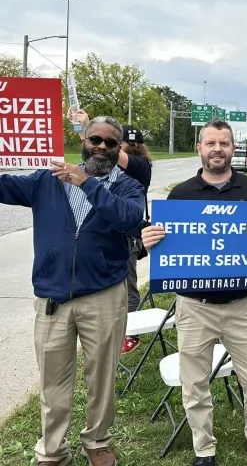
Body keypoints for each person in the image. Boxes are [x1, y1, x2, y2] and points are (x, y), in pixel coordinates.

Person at [141, 119, 247, 466]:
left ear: (232, 148)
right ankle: (203, 449)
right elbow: (167, 247)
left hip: (241, 304)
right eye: (210, 143)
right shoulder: (180, 194)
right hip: (194, 305)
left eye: (224, 143)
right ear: (200, 148)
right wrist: (151, 242)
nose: (217, 150)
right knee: (194, 383)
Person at [0, 116, 144, 466]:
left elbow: (129, 219)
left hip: (104, 295)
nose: (103, 147)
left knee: (102, 378)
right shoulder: (46, 181)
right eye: (96, 139)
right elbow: (5, 187)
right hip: (53, 298)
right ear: (84, 139)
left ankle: (97, 441)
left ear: (120, 147)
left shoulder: (127, 186)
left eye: (112, 143)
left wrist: (87, 184)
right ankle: (52, 449)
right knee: (53, 382)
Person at [71, 109, 152, 354]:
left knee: (127, 282)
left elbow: (103, 151)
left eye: (115, 141)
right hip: (107, 227)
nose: (103, 146)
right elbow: (96, 151)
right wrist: (86, 132)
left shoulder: (138, 165)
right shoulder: (110, 162)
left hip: (128, 231)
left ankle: (131, 331)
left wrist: (87, 127)